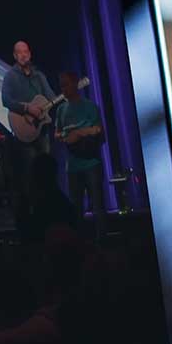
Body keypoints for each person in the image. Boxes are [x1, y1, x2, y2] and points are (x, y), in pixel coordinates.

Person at [0, 41, 56, 220]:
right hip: (24, 130)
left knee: (46, 171)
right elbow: (6, 100)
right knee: (30, 173)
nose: (23, 55)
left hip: (42, 130)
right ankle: (34, 213)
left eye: (26, 52)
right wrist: (26, 109)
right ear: (15, 56)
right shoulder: (10, 76)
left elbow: (51, 97)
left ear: (30, 54)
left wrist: (60, 99)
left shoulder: (39, 76)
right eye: (19, 52)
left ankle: (50, 210)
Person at [53, 71, 106, 227]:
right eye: (62, 85)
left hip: (91, 164)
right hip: (73, 166)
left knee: (97, 206)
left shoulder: (90, 107)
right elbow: (57, 133)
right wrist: (65, 135)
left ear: (76, 83)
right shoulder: (61, 110)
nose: (64, 89)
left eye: (67, 84)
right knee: (76, 209)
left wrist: (79, 133)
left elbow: (98, 130)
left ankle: (102, 242)